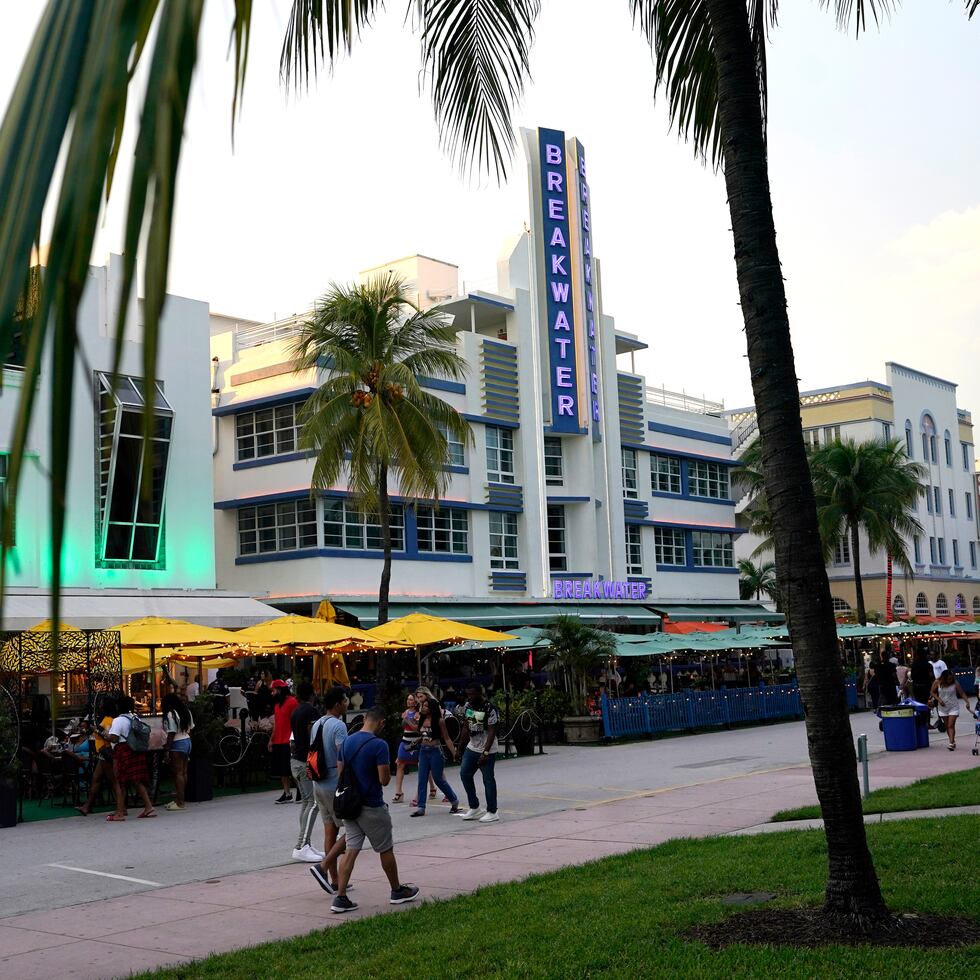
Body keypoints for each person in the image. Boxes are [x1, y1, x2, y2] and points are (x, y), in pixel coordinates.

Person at [330, 706, 419, 913]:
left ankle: (341, 897)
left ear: (365, 720)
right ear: (381, 723)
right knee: (385, 849)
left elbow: (341, 770)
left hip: (350, 805)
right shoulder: (379, 745)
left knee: (351, 850)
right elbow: (384, 779)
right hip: (371, 804)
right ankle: (397, 891)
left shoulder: (347, 741)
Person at [309, 687, 348, 894]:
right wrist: (347, 782)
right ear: (337, 704)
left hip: (319, 782)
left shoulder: (317, 724)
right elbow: (343, 756)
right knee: (353, 830)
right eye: (345, 699)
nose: (347, 702)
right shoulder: (339, 725)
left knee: (329, 832)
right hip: (334, 782)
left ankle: (334, 880)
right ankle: (322, 869)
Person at [410, 687, 460, 818]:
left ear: (431, 707)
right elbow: (423, 734)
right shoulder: (421, 718)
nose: (423, 707)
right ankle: (421, 807)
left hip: (435, 751)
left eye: (426, 705)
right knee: (422, 779)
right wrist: (416, 742)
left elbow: (447, 738)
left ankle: (454, 801)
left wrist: (454, 753)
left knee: (438, 779)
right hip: (423, 751)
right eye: (422, 705)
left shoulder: (439, 721)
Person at [105, 697, 155, 821]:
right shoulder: (135, 717)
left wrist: (106, 735)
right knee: (137, 780)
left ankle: (120, 813)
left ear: (118, 707)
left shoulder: (118, 720)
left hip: (123, 750)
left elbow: (114, 738)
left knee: (120, 781)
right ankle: (148, 807)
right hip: (135, 749)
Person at [456, 683, 500, 823]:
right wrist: (460, 748)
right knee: (465, 774)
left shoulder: (490, 708)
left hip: (487, 748)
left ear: (479, 693)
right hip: (472, 746)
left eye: (472, 694)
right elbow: (466, 727)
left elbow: (492, 731)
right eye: (468, 694)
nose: (469, 697)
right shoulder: (469, 706)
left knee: (488, 779)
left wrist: (485, 753)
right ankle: (474, 807)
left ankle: (493, 811)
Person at [289, 681, 323, 861]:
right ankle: (301, 845)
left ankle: (306, 843)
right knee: (314, 803)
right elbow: (314, 735)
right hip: (307, 761)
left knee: (306, 802)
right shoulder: (311, 712)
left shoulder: (296, 711)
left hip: (296, 760)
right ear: (312, 693)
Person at [76, 697, 118, 816]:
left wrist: (97, 730)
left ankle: (121, 806)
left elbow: (108, 736)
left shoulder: (109, 720)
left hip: (105, 751)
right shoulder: (107, 719)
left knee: (112, 781)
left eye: (102, 704)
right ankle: (87, 806)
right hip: (102, 752)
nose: (100, 706)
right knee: (96, 779)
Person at [392, 693, 436, 804]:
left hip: (416, 742)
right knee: (400, 764)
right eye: (408, 699)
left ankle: (430, 788)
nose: (408, 701)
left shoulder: (419, 713)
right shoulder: (406, 712)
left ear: (416, 702)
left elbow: (417, 729)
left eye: (411, 699)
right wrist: (404, 719)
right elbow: (404, 726)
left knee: (422, 766)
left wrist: (407, 719)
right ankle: (398, 792)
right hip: (405, 741)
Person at [161, 693, 194, 811]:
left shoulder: (171, 714)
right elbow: (191, 729)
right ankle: (180, 799)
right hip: (187, 741)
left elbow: (171, 732)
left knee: (178, 773)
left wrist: (167, 750)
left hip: (177, 744)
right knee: (184, 772)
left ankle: (180, 802)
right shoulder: (186, 711)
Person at [270, 679, 298, 803]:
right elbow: (276, 723)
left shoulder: (292, 702)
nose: (272, 693)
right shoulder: (276, 705)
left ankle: (301, 792)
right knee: (283, 770)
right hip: (278, 740)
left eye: (274, 690)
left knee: (293, 769)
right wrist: (271, 739)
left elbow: (296, 721)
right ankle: (287, 793)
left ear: (279, 690)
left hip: (288, 740)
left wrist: (295, 739)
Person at [930, 669, 972, 750]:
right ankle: (952, 741)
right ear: (944, 678)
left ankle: (951, 743)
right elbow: (932, 692)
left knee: (950, 725)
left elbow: (962, 693)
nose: (950, 680)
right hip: (942, 708)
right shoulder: (937, 682)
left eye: (951, 678)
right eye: (948, 679)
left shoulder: (955, 683)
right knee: (947, 726)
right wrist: (939, 699)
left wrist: (967, 702)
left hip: (953, 707)